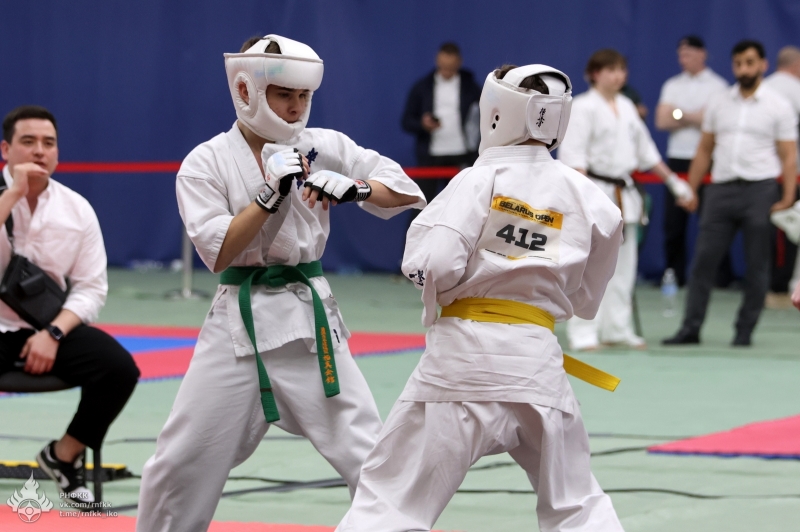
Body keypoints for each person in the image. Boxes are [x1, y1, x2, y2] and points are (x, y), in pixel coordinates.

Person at [135, 35, 425, 532]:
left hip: (308, 322)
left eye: (303, 95)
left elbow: (404, 190)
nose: (295, 107)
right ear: (247, 90)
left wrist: (357, 188)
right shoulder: (205, 161)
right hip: (237, 325)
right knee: (180, 461)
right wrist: (269, 195)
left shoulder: (324, 145)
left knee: (371, 456)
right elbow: (219, 252)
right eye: (283, 94)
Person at [337, 63, 625, 532]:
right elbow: (587, 296)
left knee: (392, 501)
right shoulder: (589, 197)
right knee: (578, 506)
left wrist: (438, 289)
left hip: (463, 366)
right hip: (537, 367)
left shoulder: (477, 180)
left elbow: (435, 264)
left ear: (496, 112)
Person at [0, 105, 139, 506]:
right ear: (6, 149)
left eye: (49, 143)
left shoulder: (77, 209)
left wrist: (54, 333)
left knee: (118, 368)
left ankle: (62, 456)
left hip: (47, 326)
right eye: (28, 142)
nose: (39, 151)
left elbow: (91, 289)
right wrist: (13, 195)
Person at [663, 40, 798, 347]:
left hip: (760, 190)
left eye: (750, 63)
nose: (744, 69)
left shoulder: (778, 105)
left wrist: (788, 196)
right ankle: (690, 328)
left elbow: (789, 155)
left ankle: (744, 331)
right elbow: (704, 149)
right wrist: (691, 189)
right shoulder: (719, 102)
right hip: (720, 190)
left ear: (763, 65)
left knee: (757, 265)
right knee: (703, 261)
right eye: (738, 64)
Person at [558, 49, 693, 351]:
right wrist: (583, 201)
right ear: (594, 74)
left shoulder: (627, 107)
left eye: (621, 70)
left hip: (623, 194)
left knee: (623, 267)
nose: (618, 76)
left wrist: (675, 183)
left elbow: (647, 153)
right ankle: (583, 331)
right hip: (593, 190)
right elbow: (574, 158)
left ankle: (617, 329)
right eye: (610, 70)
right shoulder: (582, 107)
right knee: (589, 267)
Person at [655, 36, 729, 286]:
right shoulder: (672, 85)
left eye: (687, 54)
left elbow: (715, 122)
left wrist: (679, 114)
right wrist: (695, 116)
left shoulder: (718, 86)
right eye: (680, 54)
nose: (682, 59)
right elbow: (662, 120)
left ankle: (720, 276)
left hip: (708, 160)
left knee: (713, 221)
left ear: (702, 54)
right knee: (674, 222)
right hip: (677, 160)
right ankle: (674, 274)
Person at [401, 42, 482, 208]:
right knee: (421, 206)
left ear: (459, 62)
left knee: (463, 207)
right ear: (437, 60)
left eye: (451, 68)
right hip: (430, 157)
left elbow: (482, 119)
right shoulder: (422, 87)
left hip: (462, 155)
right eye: (443, 67)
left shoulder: (472, 88)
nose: (446, 72)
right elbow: (406, 121)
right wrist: (423, 124)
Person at [763, 45, 800, 307]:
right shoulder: (796, 89)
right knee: (791, 230)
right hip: (791, 173)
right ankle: (783, 286)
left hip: (762, 175)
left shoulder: (764, 88)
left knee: (764, 231)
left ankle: (767, 286)